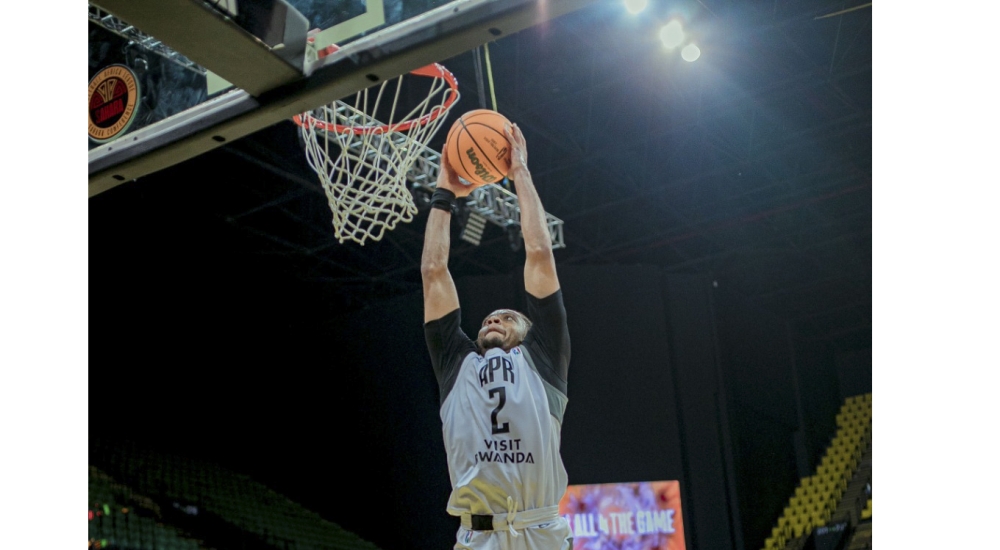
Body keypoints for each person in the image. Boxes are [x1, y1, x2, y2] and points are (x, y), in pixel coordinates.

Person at [421, 122, 572, 550]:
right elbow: (434, 273)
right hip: (477, 537)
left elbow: (540, 254)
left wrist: (519, 171)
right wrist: (443, 193)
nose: (493, 320)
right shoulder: (456, 363)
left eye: (507, 317)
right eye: (488, 318)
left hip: (540, 531)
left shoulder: (542, 360)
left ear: (529, 333)